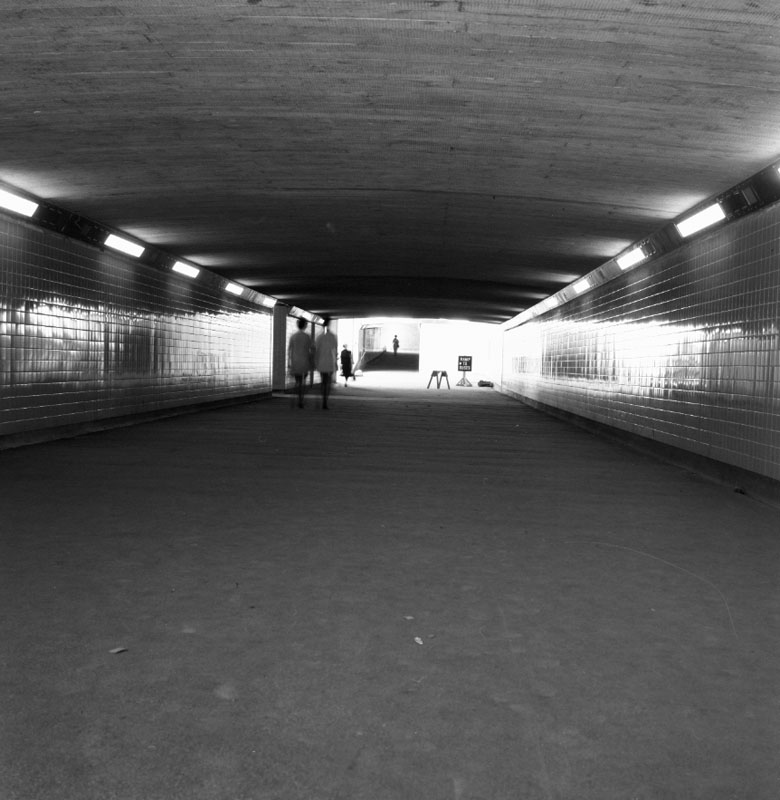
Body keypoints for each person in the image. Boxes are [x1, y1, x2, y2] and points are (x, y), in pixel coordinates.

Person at [287, 317, 312, 408]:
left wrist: (288, 364)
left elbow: (289, 350)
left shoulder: (293, 336)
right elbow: (310, 350)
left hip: (295, 362)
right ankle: (300, 400)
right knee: (303, 382)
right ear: (305, 325)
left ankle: (295, 397)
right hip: (304, 362)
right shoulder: (307, 337)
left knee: (297, 381)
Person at [314, 317, 338, 409]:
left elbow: (316, 351)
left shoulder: (319, 337)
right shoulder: (332, 337)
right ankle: (325, 401)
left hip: (321, 362)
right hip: (330, 362)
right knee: (328, 383)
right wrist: (335, 363)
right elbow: (334, 351)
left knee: (323, 382)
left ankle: (323, 397)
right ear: (329, 325)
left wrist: (315, 362)